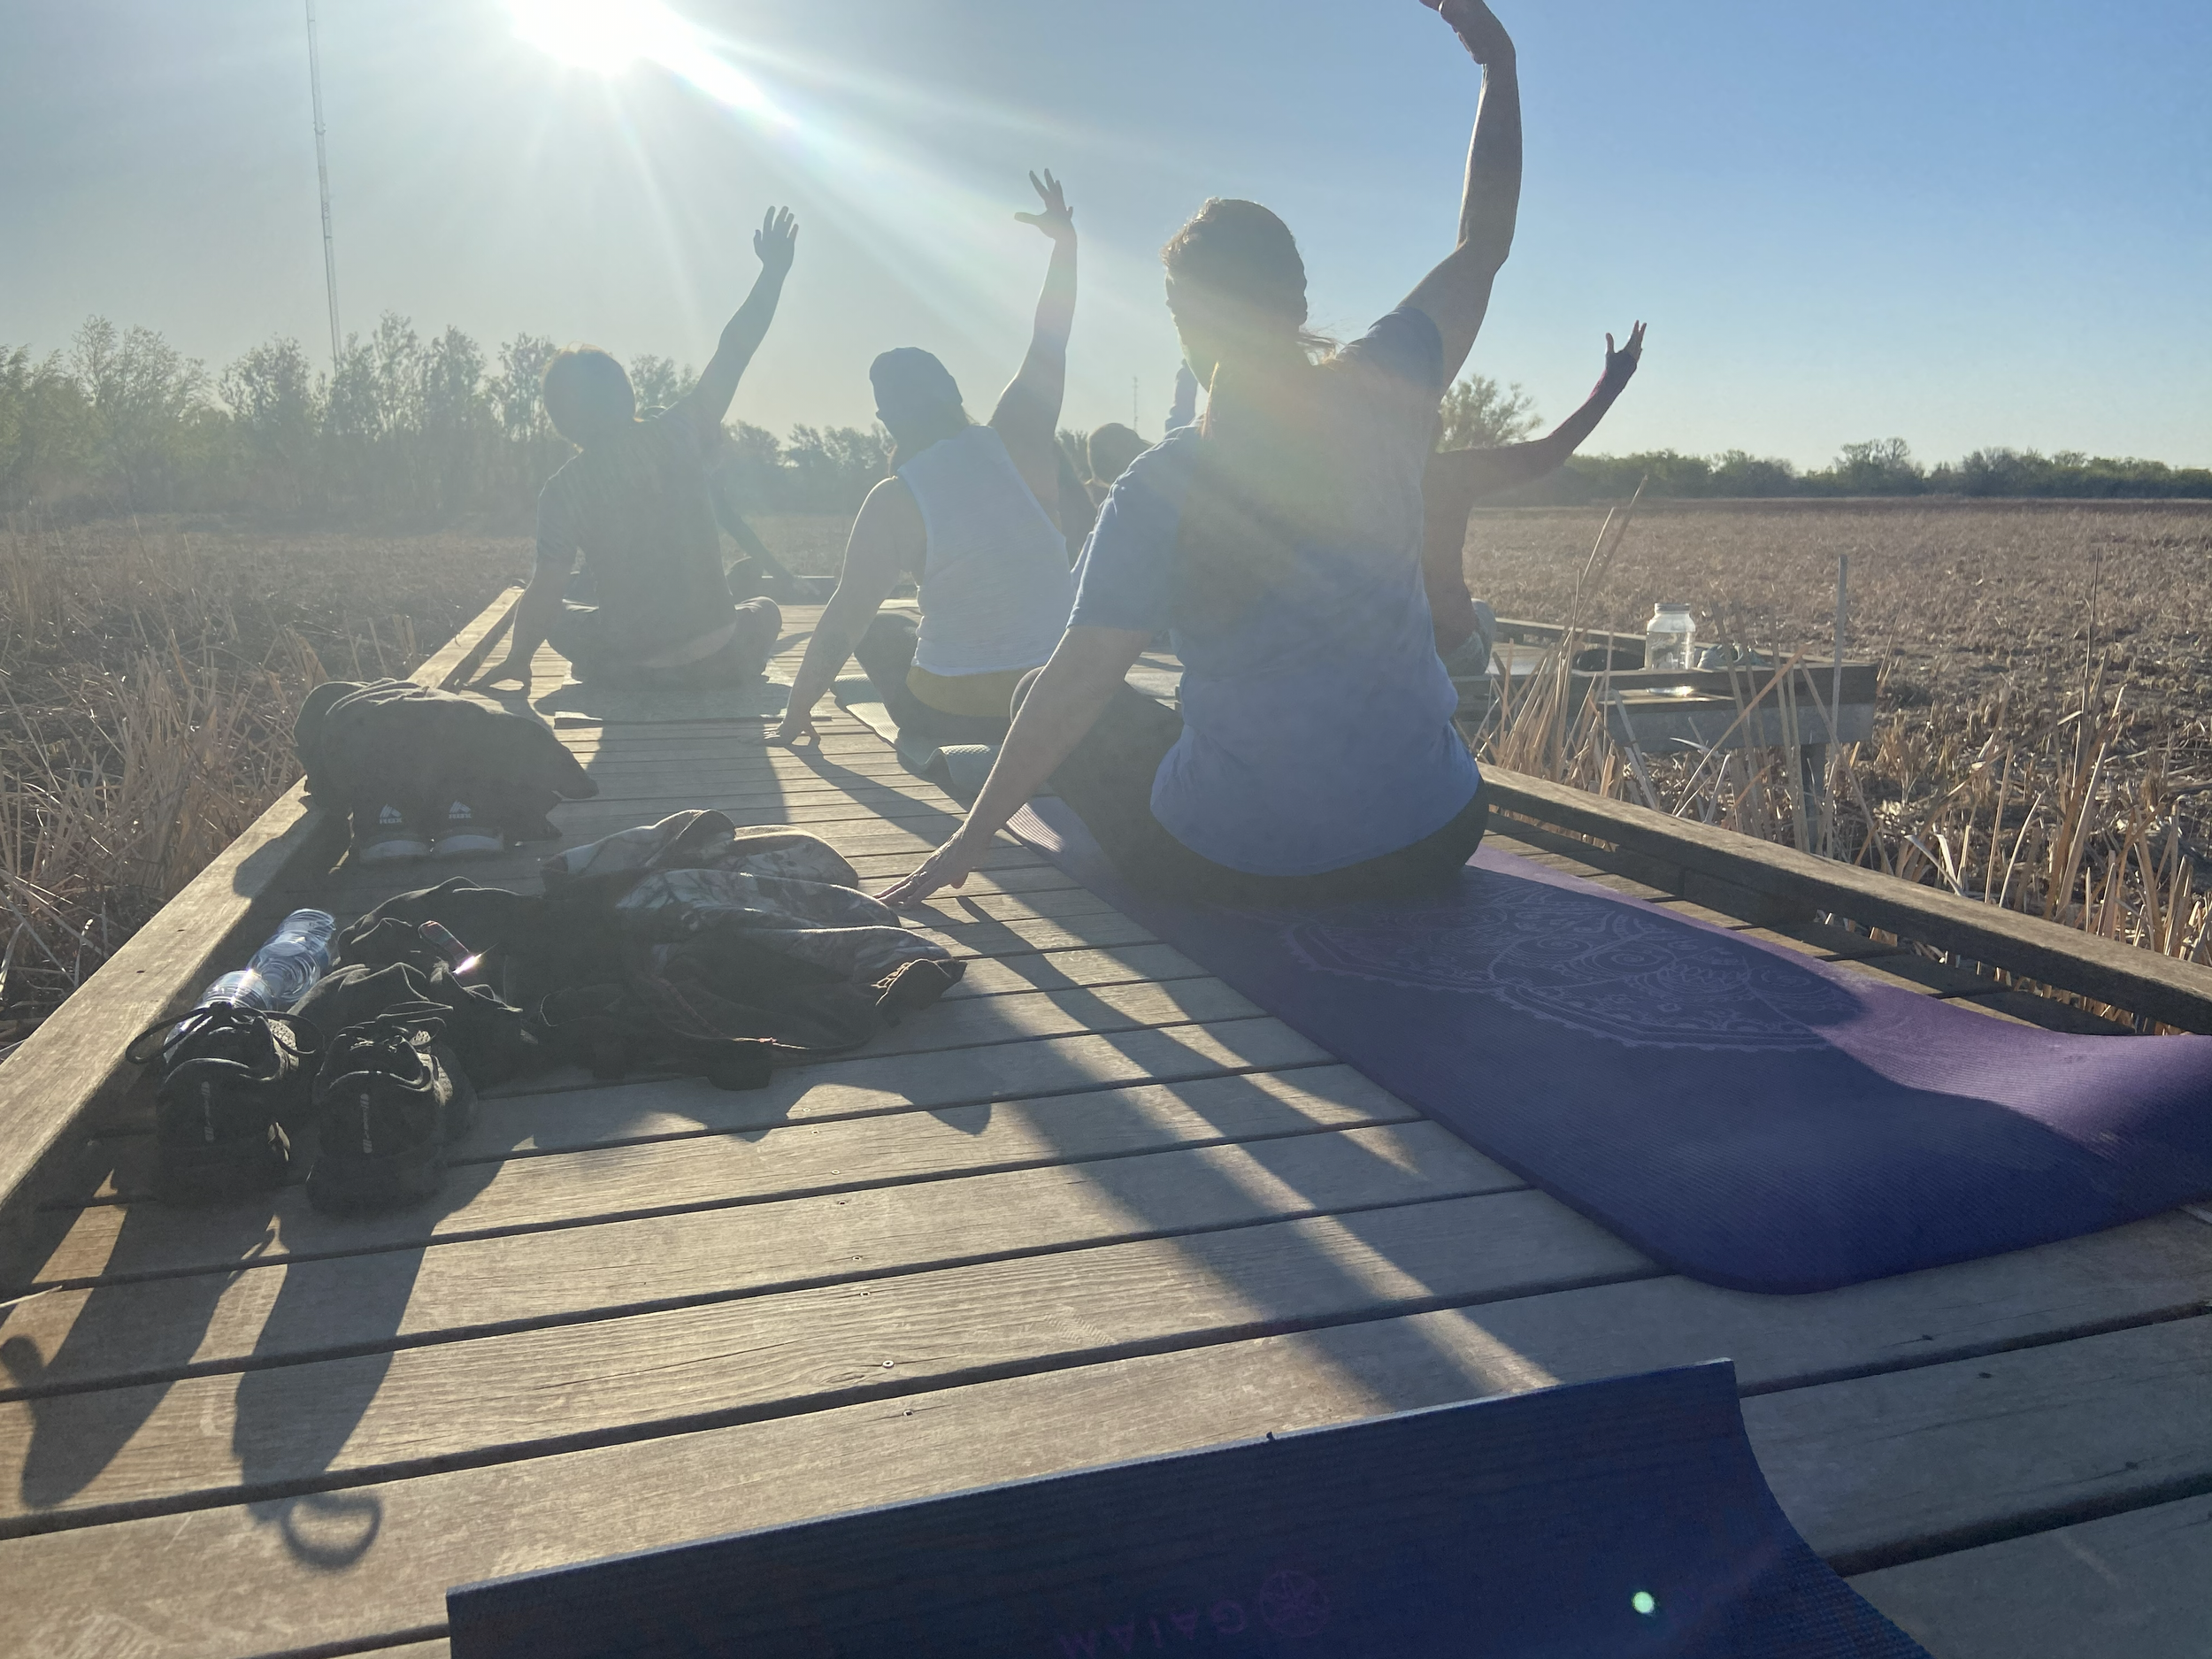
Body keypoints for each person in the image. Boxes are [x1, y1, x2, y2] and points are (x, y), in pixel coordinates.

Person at [880, 0, 1522, 910]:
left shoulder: (1158, 485)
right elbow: (1482, 243)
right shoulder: (1390, 381)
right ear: (1296, 300)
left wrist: (966, 841)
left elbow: (1078, 680)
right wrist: (1499, 65)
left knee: (1045, 688)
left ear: (1183, 324)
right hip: (1435, 833)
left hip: (1245, 865)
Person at [773, 172, 1081, 754]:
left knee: (883, 627)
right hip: (1052, 701)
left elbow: (845, 616)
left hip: (955, 720)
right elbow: (1051, 337)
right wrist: (1065, 244)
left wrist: (795, 711)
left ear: (887, 420)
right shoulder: (1019, 435)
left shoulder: (893, 497)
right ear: (954, 393)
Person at [478, 207, 800, 694]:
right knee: (766, 613)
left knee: (558, 614)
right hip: (718, 658)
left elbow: (546, 589)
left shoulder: (562, 491)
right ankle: (719, 621)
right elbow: (735, 349)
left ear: (560, 419)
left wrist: (520, 658)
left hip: (633, 663)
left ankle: (625, 664)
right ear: (626, 393)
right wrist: (772, 273)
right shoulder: (680, 431)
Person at [1425, 322, 1644, 659]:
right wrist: (1614, 378)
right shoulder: (1452, 474)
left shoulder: (1363, 474)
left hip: (1378, 654)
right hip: (1445, 652)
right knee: (1481, 612)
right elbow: (1552, 451)